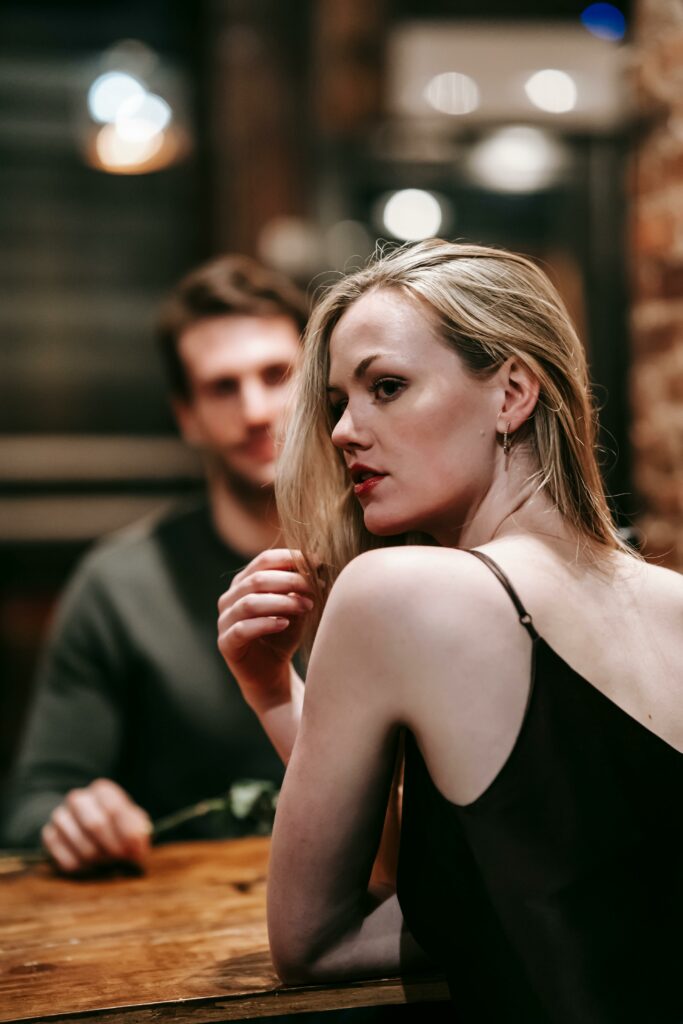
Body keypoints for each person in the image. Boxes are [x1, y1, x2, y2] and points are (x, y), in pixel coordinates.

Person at [218, 240, 683, 1023]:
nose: (341, 432)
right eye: (338, 402)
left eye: (386, 387)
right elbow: (521, 872)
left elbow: (315, 943)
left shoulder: (396, 592)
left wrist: (268, 693)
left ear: (510, 393)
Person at [1, 255, 308, 874]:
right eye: (222, 386)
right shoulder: (120, 584)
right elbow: (33, 805)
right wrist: (78, 818)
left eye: (277, 374)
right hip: (185, 932)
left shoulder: (399, 552)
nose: (255, 410)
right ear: (186, 416)